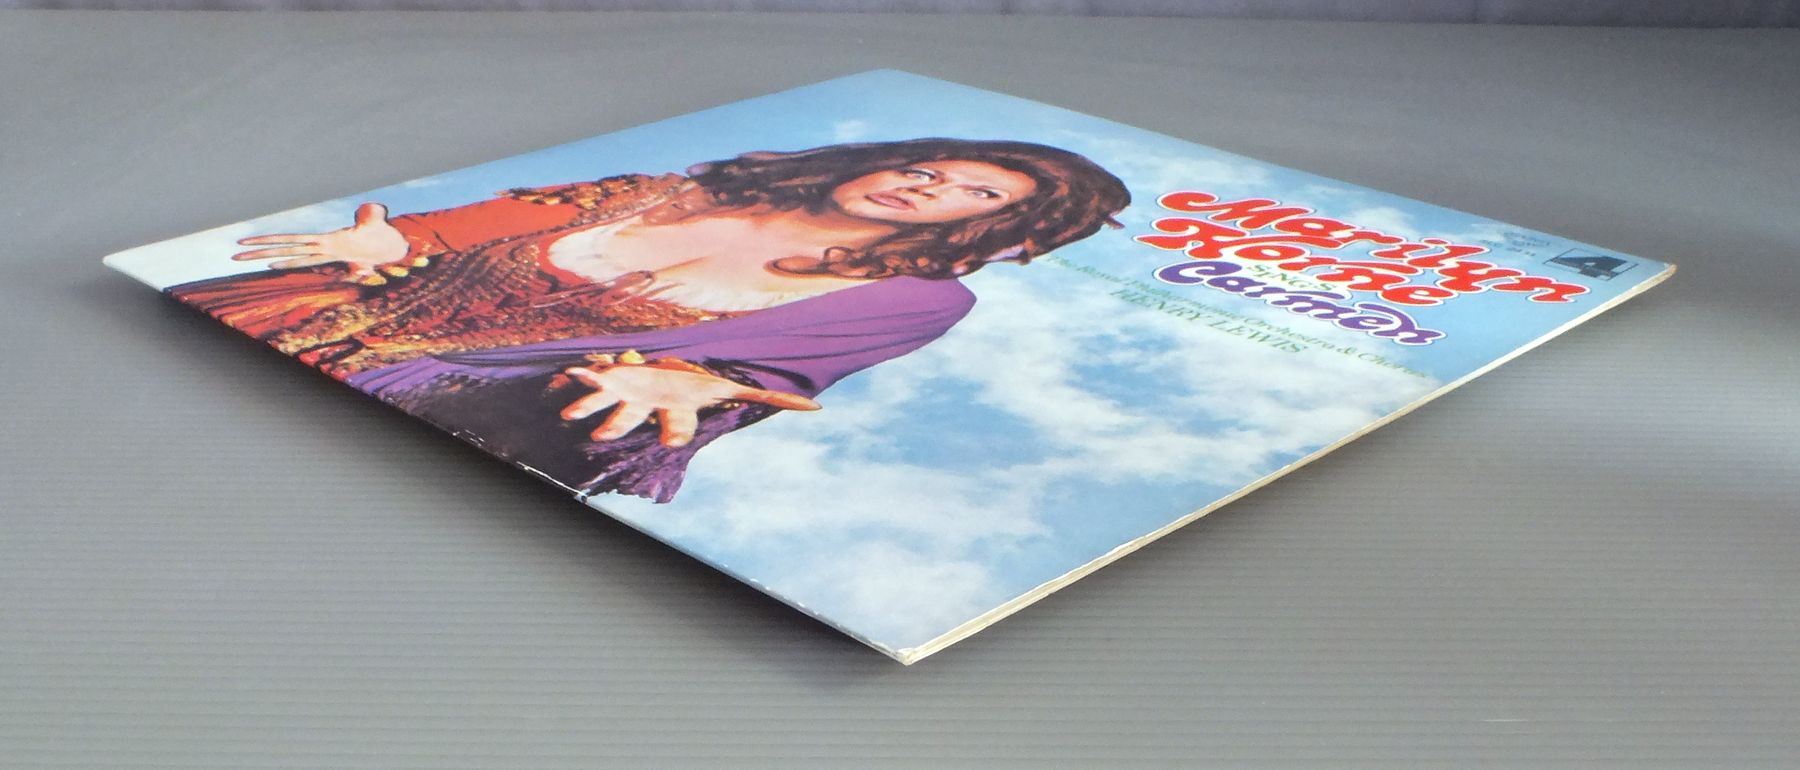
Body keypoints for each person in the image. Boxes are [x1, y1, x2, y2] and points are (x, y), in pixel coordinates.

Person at [171, 138, 1131, 502]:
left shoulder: (916, 299)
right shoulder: (662, 189)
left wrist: (691, 382)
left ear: (993, 226)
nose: (926, 190)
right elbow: (449, 228)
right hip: (290, 325)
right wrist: (394, 240)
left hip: (459, 405)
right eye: (924, 168)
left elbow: (761, 382)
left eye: (971, 194)